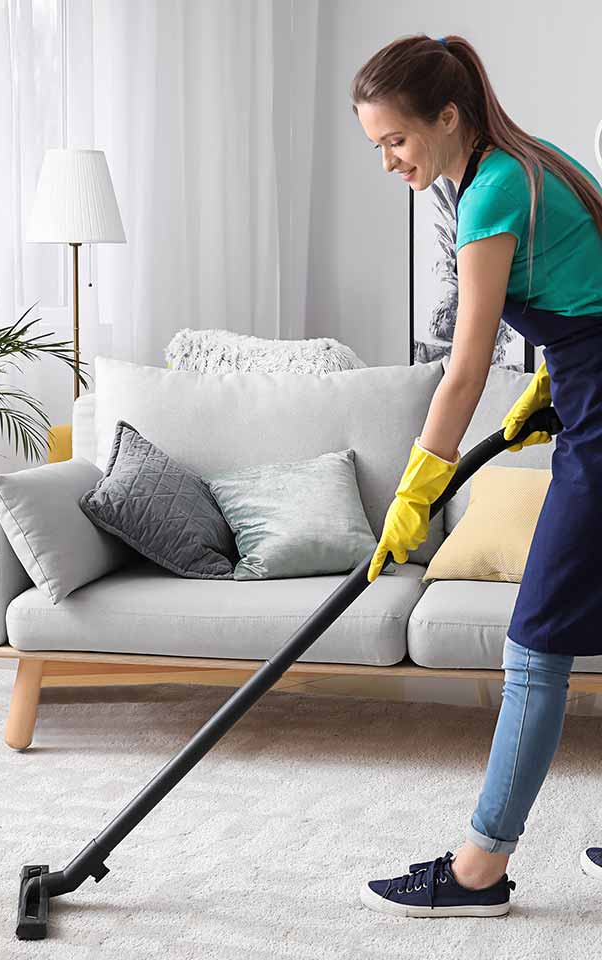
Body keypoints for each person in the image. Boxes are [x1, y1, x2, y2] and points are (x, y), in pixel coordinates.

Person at [350, 33, 602, 918]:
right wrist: (550, 383)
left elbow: (462, 369)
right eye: (378, 145)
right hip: (591, 393)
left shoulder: (492, 189)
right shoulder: (528, 161)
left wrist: (416, 492)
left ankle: (477, 872)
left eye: (396, 142)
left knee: (536, 644)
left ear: (447, 118)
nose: (388, 162)